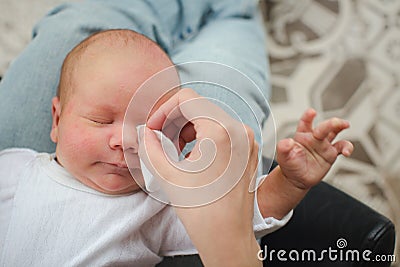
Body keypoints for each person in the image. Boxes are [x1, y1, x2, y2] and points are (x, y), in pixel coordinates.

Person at [0, 29, 353, 266]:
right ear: (57, 120)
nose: (124, 142)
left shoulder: (152, 207)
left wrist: (289, 182)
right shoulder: (16, 169)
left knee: (230, 46)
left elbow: (240, 215)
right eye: (101, 120)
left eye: (146, 127)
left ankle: (234, 18)